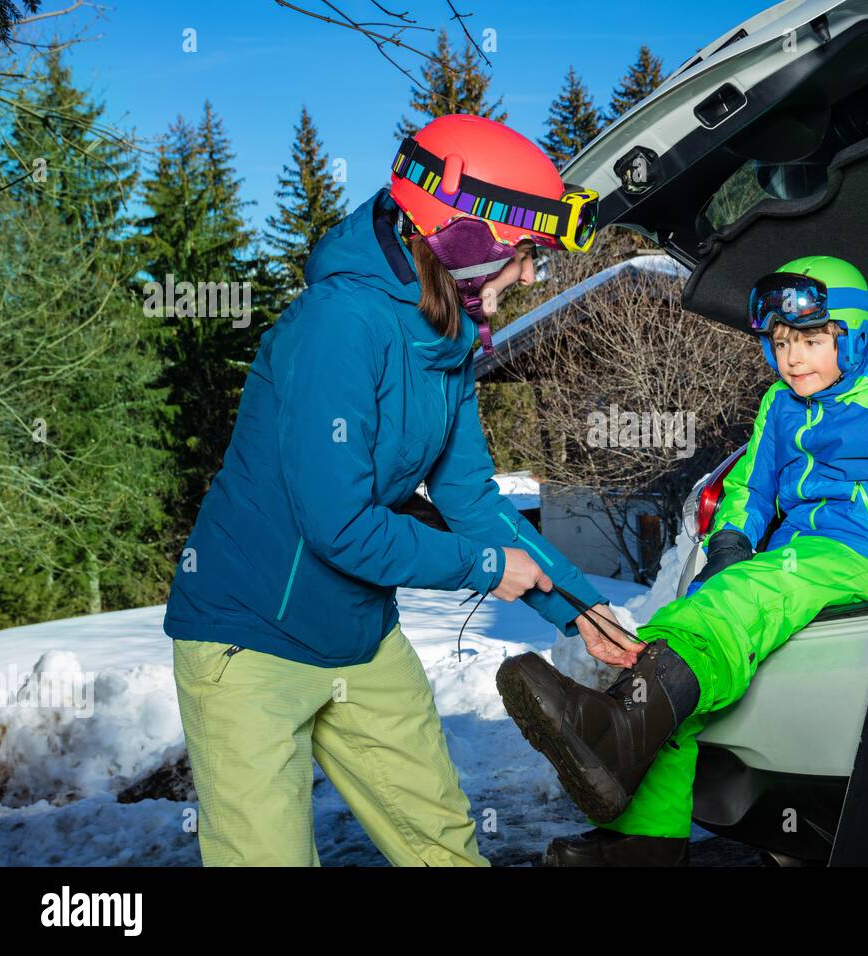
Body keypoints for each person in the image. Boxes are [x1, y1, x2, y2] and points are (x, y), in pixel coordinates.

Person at [164, 114, 636, 867]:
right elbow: (338, 525)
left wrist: (582, 612)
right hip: (247, 642)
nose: (526, 278)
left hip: (359, 636)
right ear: (463, 239)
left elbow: (474, 503)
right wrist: (482, 568)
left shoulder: (449, 341)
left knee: (444, 849)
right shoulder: (338, 325)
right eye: (522, 258)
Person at [497, 255, 868, 866]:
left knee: (733, 609)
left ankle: (615, 733)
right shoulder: (781, 403)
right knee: (681, 643)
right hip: (791, 559)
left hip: (856, 556)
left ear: (852, 337)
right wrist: (728, 547)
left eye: (809, 340)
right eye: (779, 343)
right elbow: (749, 488)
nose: (792, 357)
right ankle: (647, 839)